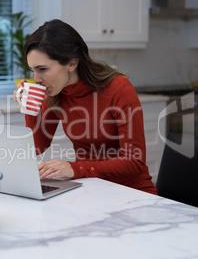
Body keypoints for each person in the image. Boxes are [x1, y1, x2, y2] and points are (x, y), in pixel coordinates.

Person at [14, 19, 157, 195]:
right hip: (91, 188)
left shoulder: (118, 89)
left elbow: (134, 162)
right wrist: (30, 109)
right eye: (33, 70)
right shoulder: (56, 92)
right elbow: (38, 147)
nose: (36, 79)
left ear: (72, 63)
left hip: (132, 192)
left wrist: (75, 168)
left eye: (42, 69)